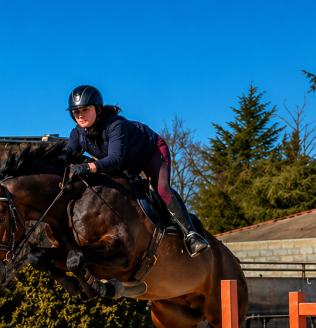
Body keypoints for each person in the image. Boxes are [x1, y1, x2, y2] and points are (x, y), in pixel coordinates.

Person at [63, 85, 210, 257]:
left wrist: (87, 166)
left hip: (151, 151)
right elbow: (67, 159)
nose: (80, 115)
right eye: (76, 111)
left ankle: (191, 235)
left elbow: (115, 159)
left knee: (161, 188)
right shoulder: (76, 134)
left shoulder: (115, 125)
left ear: (98, 108)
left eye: (85, 110)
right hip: (126, 163)